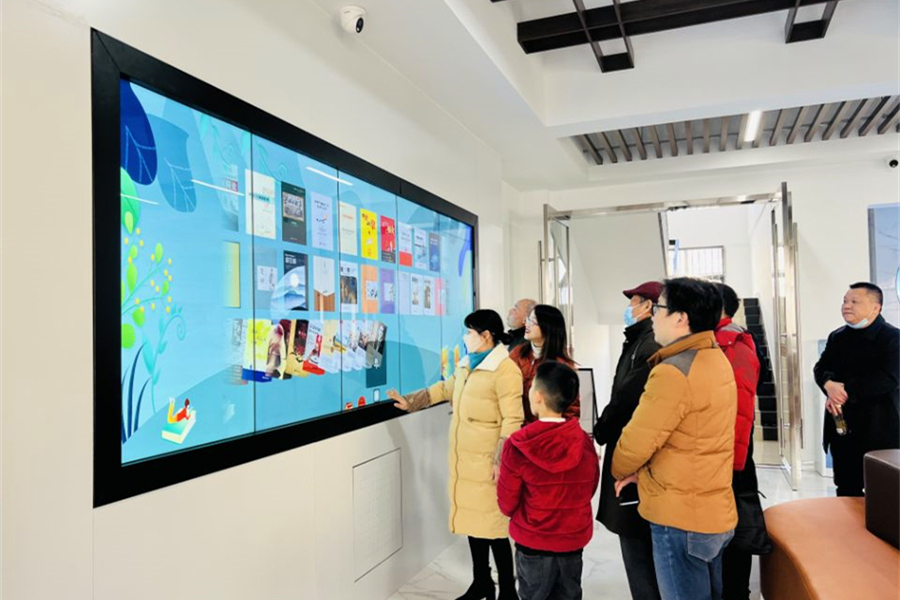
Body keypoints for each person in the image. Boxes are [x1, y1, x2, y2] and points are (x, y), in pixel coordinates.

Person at [612, 277, 738, 600]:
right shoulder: (716, 358)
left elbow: (636, 443)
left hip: (680, 518)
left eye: (659, 308)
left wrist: (621, 468)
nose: (653, 315)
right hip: (713, 509)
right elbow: (692, 439)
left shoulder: (673, 371)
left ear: (681, 318)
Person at [389, 309, 524, 600]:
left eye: (470, 332)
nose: (466, 337)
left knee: (495, 528)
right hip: (465, 462)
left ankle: (507, 591)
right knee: (473, 524)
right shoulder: (467, 363)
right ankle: (482, 582)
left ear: (485, 336)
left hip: (488, 464)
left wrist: (501, 460)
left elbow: (513, 420)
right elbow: (446, 388)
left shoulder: (505, 369)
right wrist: (412, 401)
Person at [497, 362, 600, 600]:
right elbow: (589, 487)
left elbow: (506, 503)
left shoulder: (517, 446)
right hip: (572, 540)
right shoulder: (583, 442)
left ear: (538, 396)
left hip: (533, 541)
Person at [594, 281, 663, 600]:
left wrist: (601, 429)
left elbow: (626, 399)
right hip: (629, 452)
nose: (628, 308)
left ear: (649, 306)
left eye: (633, 302)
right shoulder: (638, 340)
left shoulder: (648, 345)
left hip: (634, 458)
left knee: (638, 546)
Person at [814, 282, 900, 497]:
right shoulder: (838, 337)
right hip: (842, 426)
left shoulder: (893, 338)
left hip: (879, 427)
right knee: (846, 489)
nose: (847, 306)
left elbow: (889, 378)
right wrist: (828, 384)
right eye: (845, 301)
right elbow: (821, 368)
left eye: (854, 301)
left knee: (882, 493)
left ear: (875, 307)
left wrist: (845, 392)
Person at [714, 284, 764, 600]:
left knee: (735, 532)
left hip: (731, 458)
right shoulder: (720, 340)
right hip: (726, 455)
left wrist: (732, 463)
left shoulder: (733, 344)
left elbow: (740, 411)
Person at [508, 304, 579, 424]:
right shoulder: (517, 353)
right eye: (528, 319)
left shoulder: (562, 366)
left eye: (533, 321)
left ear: (547, 327)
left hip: (547, 429)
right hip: (518, 426)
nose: (527, 324)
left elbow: (571, 410)